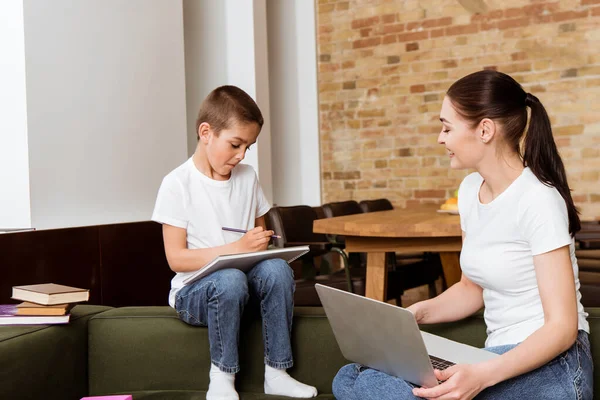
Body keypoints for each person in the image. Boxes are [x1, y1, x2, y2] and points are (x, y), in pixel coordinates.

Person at [332, 70, 593, 400]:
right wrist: (412, 316)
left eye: (447, 127)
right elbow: (471, 288)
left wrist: (482, 376)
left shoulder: (539, 199)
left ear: (484, 130)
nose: (441, 139)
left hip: (554, 364)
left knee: (371, 385)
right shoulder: (470, 190)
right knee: (351, 377)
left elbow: (562, 328)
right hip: (494, 357)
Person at [152, 85, 317, 400]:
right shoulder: (177, 184)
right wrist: (234, 249)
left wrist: (262, 244)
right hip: (194, 293)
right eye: (235, 144)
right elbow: (176, 260)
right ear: (206, 133)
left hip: (242, 288)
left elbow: (260, 243)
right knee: (228, 279)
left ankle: (277, 373)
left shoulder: (247, 177)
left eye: (248, 147)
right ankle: (223, 378)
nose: (241, 155)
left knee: (277, 270)